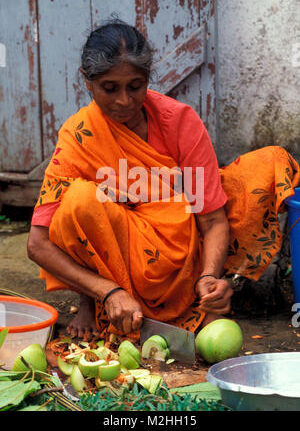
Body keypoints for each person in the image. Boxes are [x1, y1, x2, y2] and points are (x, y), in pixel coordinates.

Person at [27, 19, 300, 342]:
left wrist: (210, 276)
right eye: (109, 88)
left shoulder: (179, 122)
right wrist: (107, 290)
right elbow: (39, 244)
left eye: (136, 86)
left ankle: (199, 296)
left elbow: (212, 219)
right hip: (117, 263)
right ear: (87, 82)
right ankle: (96, 302)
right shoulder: (80, 137)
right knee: (80, 201)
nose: (124, 101)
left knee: (259, 170)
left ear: (148, 80)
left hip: (182, 257)